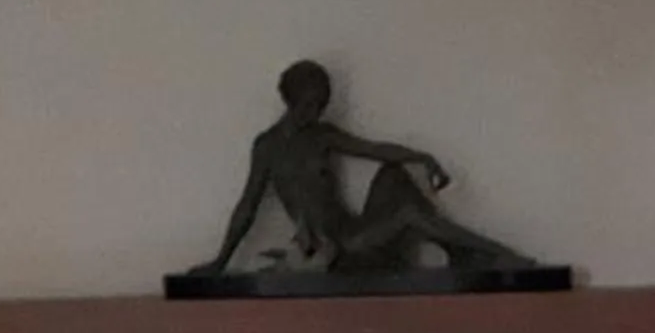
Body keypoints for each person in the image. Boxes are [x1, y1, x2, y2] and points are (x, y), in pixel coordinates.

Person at [184, 61, 532, 279]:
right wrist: (220, 262)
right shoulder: (267, 147)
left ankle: (459, 253)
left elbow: (374, 149)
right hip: (339, 248)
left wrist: (422, 158)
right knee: (409, 213)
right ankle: (497, 253)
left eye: (321, 105)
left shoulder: (323, 136)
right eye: (308, 104)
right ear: (289, 101)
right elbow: (247, 206)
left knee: (392, 173)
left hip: (357, 232)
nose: (316, 112)